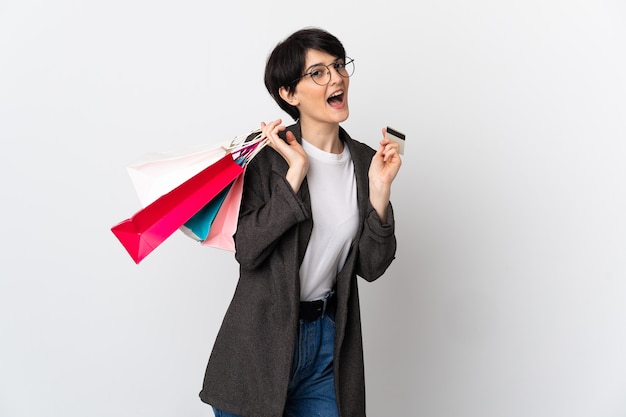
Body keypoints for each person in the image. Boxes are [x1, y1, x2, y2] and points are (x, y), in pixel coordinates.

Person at [199, 27, 402, 417]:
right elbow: (249, 251)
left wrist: (379, 194)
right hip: (260, 344)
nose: (337, 78)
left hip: (328, 341)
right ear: (288, 94)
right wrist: (294, 176)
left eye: (339, 66)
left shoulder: (363, 161)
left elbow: (373, 267)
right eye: (318, 72)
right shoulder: (268, 156)